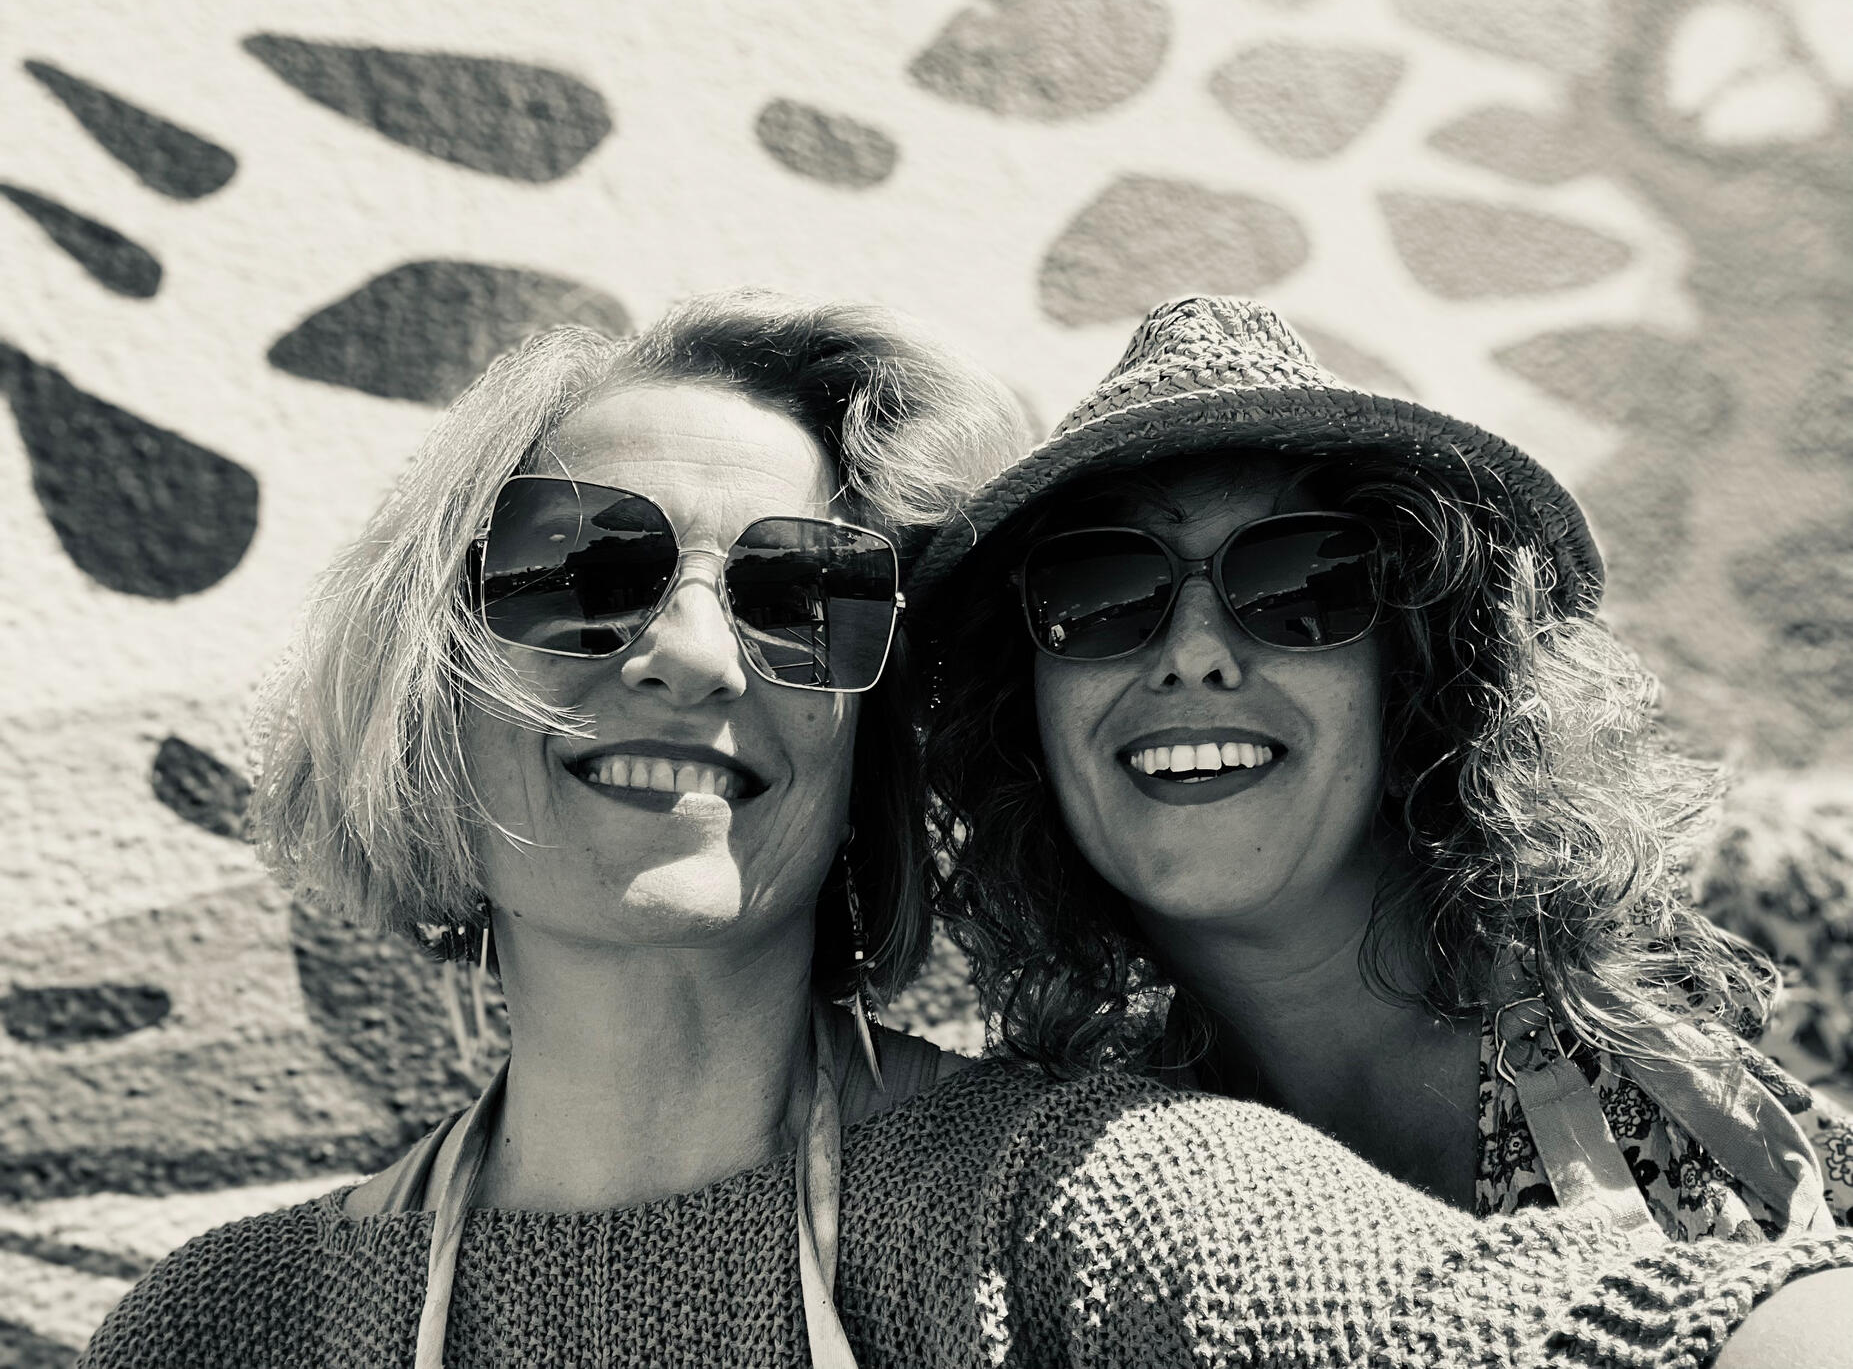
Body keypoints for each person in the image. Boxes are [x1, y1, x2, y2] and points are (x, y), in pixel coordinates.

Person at [81, 291, 1853, 1369]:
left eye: (802, 595)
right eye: (578, 567)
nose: (692, 649)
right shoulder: (218, 1324)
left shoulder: (1062, 1200)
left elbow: (1589, 1322)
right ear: (427, 670)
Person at [914, 294, 1853, 1250]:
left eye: (1301, 583)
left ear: (1419, 680)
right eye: (1101, 593)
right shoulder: (1053, 1180)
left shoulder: (1683, 1122)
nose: (1192, 653)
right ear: (1023, 716)